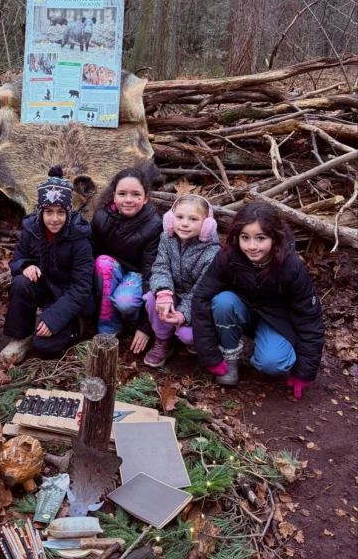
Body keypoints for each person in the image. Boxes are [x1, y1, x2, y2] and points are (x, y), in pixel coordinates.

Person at [192, 203, 324, 397]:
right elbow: (201, 297)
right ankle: (230, 356)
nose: (252, 246)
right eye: (245, 238)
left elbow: (309, 317)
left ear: (274, 238)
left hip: (277, 319)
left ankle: (268, 348)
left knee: (273, 363)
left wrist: (305, 371)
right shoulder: (228, 257)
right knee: (222, 301)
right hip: (240, 310)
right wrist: (210, 355)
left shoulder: (291, 266)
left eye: (260, 238)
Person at [0, 167, 95, 364]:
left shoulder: (79, 239)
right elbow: (16, 260)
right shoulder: (31, 230)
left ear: (68, 212)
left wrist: (54, 317)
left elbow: (81, 286)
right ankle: (21, 336)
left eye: (60, 212)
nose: (54, 219)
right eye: (49, 212)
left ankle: (78, 325)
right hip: (46, 286)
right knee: (20, 282)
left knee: (44, 346)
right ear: (41, 211)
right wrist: (25, 265)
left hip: (68, 294)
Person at [91, 162, 163, 354]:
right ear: (113, 195)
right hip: (111, 271)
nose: (128, 200)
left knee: (125, 301)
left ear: (146, 198)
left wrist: (145, 326)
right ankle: (110, 325)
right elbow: (92, 254)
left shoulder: (155, 225)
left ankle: (133, 316)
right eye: (122, 194)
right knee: (102, 262)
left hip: (137, 274)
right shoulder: (101, 217)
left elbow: (151, 271)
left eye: (136, 195)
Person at [142, 195, 220, 367]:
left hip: (196, 303)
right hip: (173, 294)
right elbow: (161, 266)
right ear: (170, 219)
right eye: (179, 217)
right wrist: (164, 293)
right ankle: (162, 340)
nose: (184, 224)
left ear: (207, 225)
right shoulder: (166, 239)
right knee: (151, 298)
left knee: (188, 336)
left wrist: (183, 314)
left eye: (193, 219)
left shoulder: (212, 252)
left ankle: (189, 338)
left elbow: (202, 290)